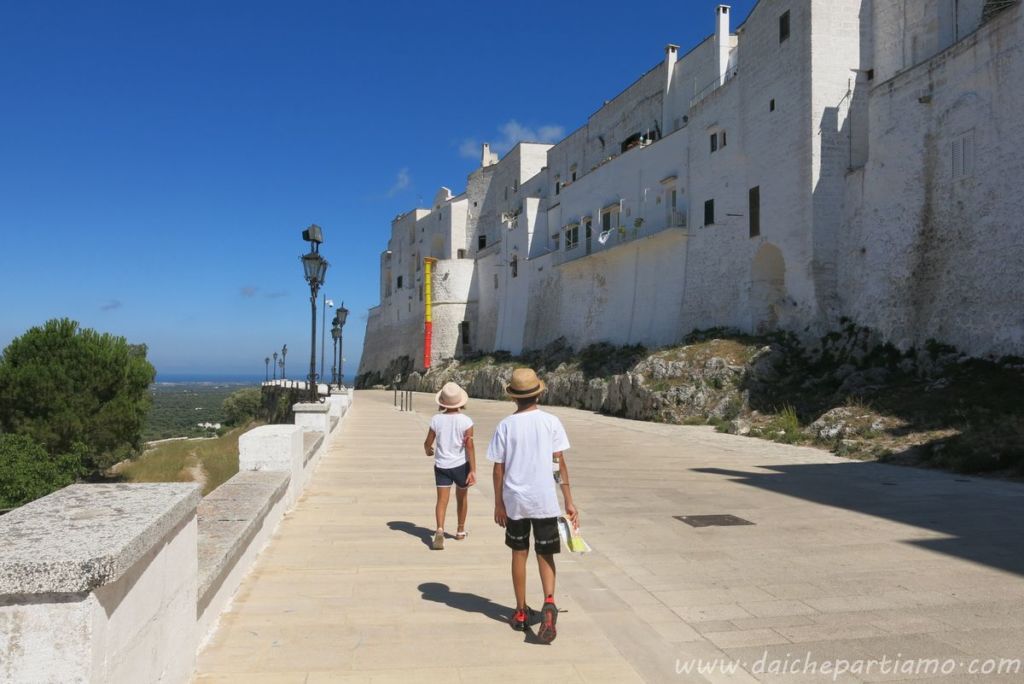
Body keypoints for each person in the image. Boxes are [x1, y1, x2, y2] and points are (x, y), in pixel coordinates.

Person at [487, 368, 578, 643]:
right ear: (538, 392)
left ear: (513, 398)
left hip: (515, 501)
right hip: (544, 500)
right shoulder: (551, 422)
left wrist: (498, 504)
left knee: (519, 553)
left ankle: (521, 611)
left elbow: (498, 469)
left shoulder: (505, 425)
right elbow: (558, 464)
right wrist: (569, 500)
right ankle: (549, 602)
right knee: (545, 554)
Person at [423, 382, 476, 550]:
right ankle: (460, 531)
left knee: (441, 500)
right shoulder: (466, 421)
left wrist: (429, 451)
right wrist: (473, 469)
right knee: (462, 498)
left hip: (441, 466)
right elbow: (469, 446)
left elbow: (428, 443)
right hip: (461, 465)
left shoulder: (436, 420)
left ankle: (439, 529)